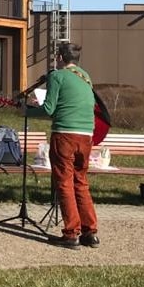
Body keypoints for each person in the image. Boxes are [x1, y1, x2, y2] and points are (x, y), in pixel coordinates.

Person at [31, 42, 100, 249]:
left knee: (64, 182)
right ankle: (90, 232)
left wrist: (28, 110)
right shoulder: (86, 77)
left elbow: (49, 109)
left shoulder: (57, 76)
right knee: (81, 181)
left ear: (60, 57)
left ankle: (71, 233)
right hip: (86, 135)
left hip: (65, 135)